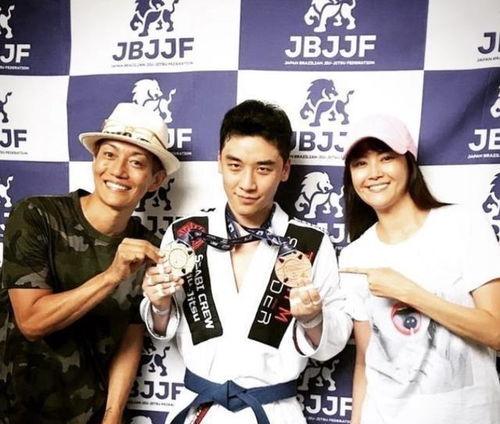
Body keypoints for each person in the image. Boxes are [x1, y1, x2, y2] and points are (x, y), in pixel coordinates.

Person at [140, 99, 353, 424]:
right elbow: (163, 328)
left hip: (272, 412)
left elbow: (332, 342)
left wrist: (312, 319)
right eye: (235, 165)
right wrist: (159, 304)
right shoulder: (186, 234)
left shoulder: (309, 243)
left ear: (285, 170)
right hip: (200, 410)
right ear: (219, 162)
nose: (247, 183)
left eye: (263, 168)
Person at [0, 102, 180, 424]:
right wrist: (113, 275)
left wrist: (112, 416)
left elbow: (130, 337)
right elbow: (31, 322)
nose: (119, 170)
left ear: (155, 180)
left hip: (88, 415)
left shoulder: (148, 246)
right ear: (95, 160)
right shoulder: (37, 216)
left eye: (136, 162)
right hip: (14, 411)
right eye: (109, 154)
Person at [338, 114, 500, 424]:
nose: (373, 173)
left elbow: (496, 332)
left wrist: (411, 293)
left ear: (409, 163)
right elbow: (365, 362)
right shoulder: (354, 256)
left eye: (386, 158)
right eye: (360, 163)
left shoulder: (463, 224)